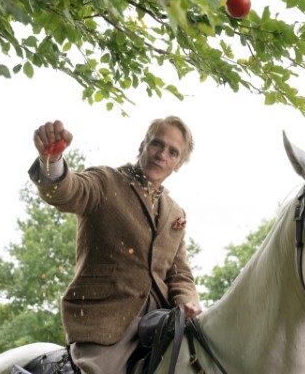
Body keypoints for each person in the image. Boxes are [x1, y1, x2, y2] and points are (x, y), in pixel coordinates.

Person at [28, 117, 202, 374]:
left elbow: (179, 273)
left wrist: (189, 302)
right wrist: (51, 161)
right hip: (105, 324)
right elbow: (68, 192)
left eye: (173, 152)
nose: (162, 154)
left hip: (162, 326)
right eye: (157, 144)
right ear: (143, 145)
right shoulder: (105, 181)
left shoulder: (175, 213)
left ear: (177, 164)